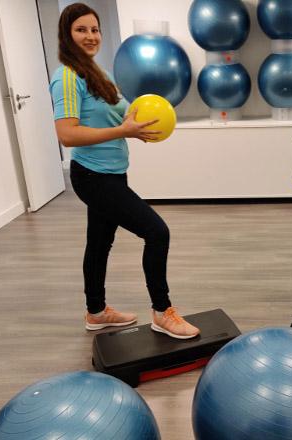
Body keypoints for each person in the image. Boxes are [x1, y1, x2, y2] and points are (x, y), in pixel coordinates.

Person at [49, 3, 199, 338]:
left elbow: (117, 116)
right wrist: (124, 132)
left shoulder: (94, 73)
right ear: (66, 35)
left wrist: (142, 123)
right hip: (93, 176)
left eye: (94, 29)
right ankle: (162, 312)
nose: (90, 36)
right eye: (81, 30)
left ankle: (96, 311)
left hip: (112, 173)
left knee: (99, 243)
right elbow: (67, 133)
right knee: (157, 233)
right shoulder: (68, 78)